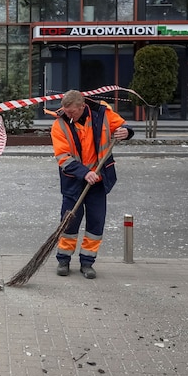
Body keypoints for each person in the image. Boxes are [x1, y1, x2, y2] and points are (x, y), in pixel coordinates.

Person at [51, 91, 133, 279]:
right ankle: (63, 259)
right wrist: (84, 173)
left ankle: (87, 263)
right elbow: (63, 157)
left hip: (98, 180)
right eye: (66, 112)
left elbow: (122, 127)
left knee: (96, 223)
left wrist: (126, 132)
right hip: (73, 181)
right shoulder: (60, 125)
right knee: (69, 221)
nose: (69, 115)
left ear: (82, 107)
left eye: (72, 112)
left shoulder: (103, 115)